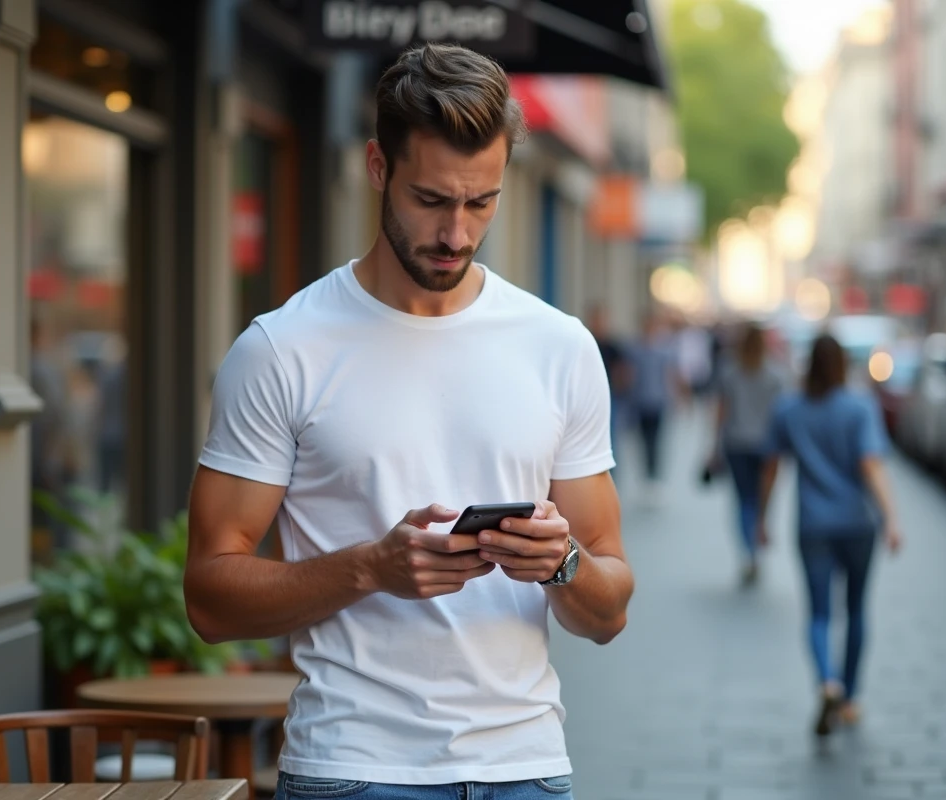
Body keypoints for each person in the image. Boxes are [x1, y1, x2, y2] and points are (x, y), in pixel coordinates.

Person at [184, 43, 632, 799]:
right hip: (354, 770)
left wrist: (561, 564)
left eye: (481, 202)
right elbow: (208, 598)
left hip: (525, 769)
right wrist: (370, 569)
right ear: (377, 167)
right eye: (431, 200)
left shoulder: (559, 347)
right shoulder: (281, 348)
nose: (456, 233)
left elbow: (610, 608)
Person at [757, 333, 902, 737]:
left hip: (813, 525)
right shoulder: (860, 407)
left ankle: (827, 680)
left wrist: (761, 520)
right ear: (842, 365)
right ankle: (851, 697)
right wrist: (891, 518)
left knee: (819, 613)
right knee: (856, 609)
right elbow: (872, 465)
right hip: (858, 524)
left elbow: (772, 467)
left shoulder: (790, 408)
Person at [708, 322, 784, 585]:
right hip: (766, 445)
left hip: (737, 443)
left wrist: (713, 446)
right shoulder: (774, 373)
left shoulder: (730, 369)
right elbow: (781, 413)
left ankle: (748, 551)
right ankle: (759, 533)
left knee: (743, 501)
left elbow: (721, 411)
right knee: (762, 497)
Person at [627, 314, 682, 502]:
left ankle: (655, 478)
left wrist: (675, 398)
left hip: (658, 402)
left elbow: (670, 375)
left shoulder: (663, 350)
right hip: (640, 403)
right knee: (643, 442)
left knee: (656, 442)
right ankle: (646, 479)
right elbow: (630, 376)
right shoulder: (635, 350)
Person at [585, 305, 628, 474]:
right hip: (589, 398)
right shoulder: (586, 341)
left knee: (610, 437)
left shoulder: (612, 345)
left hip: (610, 397)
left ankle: (610, 473)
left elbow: (623, 369)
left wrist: (619, 387)